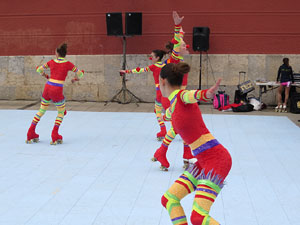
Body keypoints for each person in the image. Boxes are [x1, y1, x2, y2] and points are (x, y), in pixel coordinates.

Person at [159, 62, 232, 224]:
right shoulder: (173, 104)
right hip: (203, 162)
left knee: (198, 217)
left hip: (216, 160)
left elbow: (191, 95)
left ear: (162, 81)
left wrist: (206, 93)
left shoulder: (181, 96)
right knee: (169, 199)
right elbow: (173, 117)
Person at [152, 11, 192, 171]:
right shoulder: (174, 60)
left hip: (179, 100)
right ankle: (185, 157)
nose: (185, 46)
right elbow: (176, 42)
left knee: (179, 129)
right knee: (183, 128)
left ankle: (165, 154)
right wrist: (177, 27)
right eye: (183, 45)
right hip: (175, 102)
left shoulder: (178, 61)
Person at [26, 43, 84, 145]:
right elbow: (80, 73)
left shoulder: (51, 62)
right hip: (57, 90)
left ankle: (31, 132)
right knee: (61, 112)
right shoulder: (68, 64)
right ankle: (55, 134)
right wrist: (76, 79)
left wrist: (45, 75)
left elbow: (39, 69)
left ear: (57, 53)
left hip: (47, 88)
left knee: (41, 110)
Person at [120, 50, 169, 140]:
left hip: (160, 92)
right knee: (171, 111)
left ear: (157, 58)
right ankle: (178, 129)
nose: (151, 58)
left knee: (158, 111)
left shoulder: (154, 66)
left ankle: (163, 130)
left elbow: (139, 70)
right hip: (168, 92)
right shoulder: (166, 66)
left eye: (152, 56)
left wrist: (126, 71)